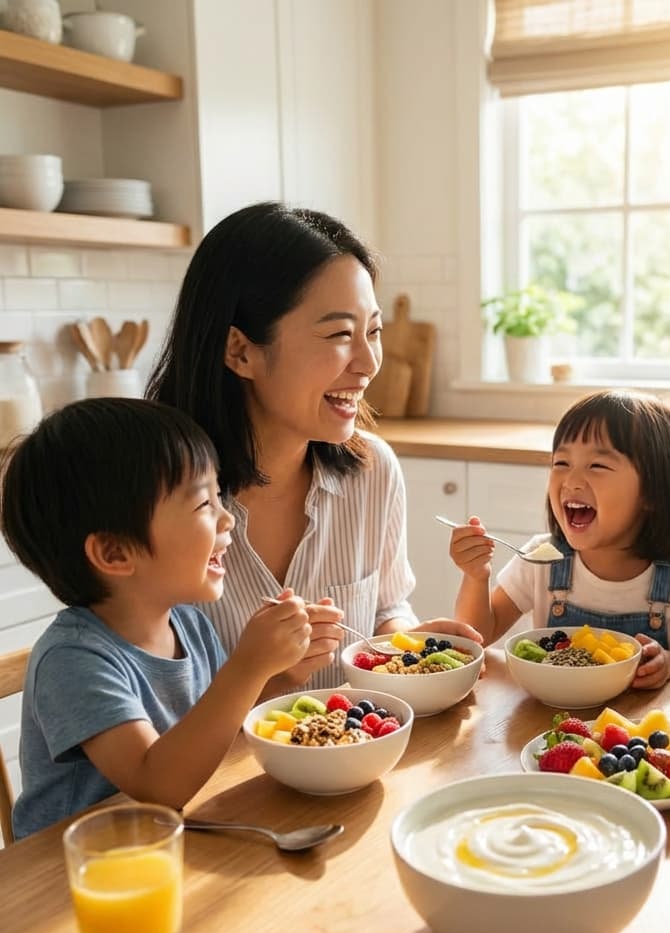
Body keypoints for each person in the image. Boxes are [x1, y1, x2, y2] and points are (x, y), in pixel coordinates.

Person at [146, 202, 479, 694]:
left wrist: (408, 647)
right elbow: (155, 706)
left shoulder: (372, 471)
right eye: (340, 334)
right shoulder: (154, 500)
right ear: (240, 351)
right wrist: (273, 678)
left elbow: (386, 609)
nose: (369, 363)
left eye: (373, 332)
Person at [1, 399, 311, 839]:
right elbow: (156, 784)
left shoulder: (189, 624)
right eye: (203, 503)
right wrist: (249, 666)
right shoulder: (72, 660)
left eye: (218, 496)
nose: (227, 518)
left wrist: (280, 673)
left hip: (164, 838)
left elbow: (214, 726)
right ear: (115, 553)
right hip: (75, 867)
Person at [449, 390, 670, 688]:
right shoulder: (540, 559)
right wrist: (476, 576)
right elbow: (477, 635)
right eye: (561, 463)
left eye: (597, 465)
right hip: (550, 715)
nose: (571, 481)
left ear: (653, 492)